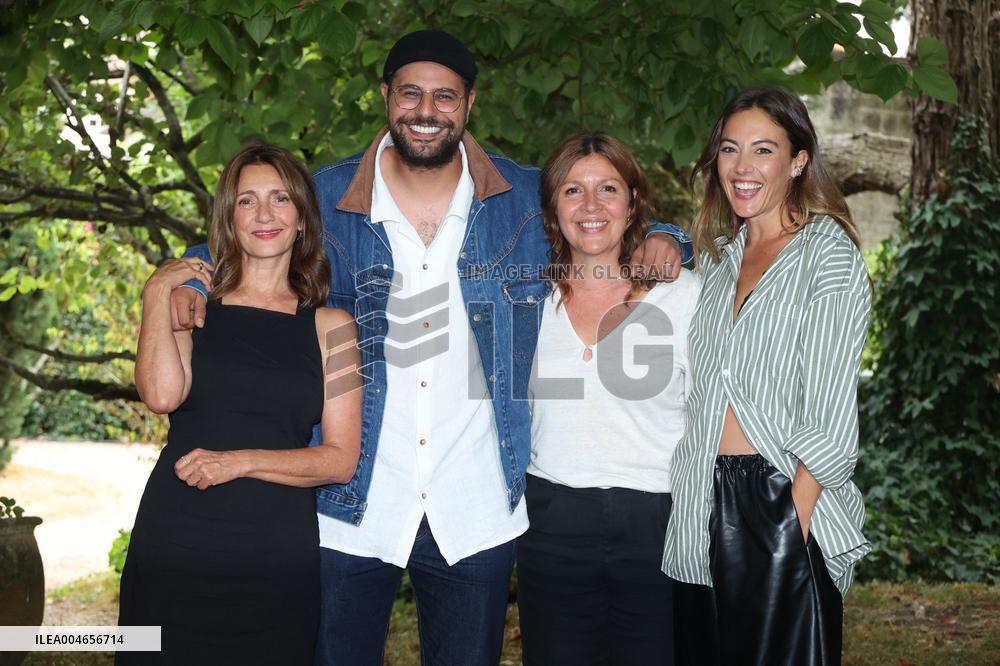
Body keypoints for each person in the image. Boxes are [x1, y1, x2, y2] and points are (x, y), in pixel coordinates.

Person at [172, 30, 693, 664]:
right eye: (411, 93)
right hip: (353, 503)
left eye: (444, 96)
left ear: (470, 104)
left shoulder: (524, 204)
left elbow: (600, 210)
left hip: (473, 505)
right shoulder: (329, 202)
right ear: (385, 96)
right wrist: (180, 274)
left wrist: (667, 236)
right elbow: (248, 232)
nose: (426, 110)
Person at [118, 143, 362, 665]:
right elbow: (161, 395)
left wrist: (237, 462)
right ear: (230, 218)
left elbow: (340, 460)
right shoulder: (195, 308)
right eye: (247, 201)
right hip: (176, 539)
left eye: (279, 199)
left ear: (302, 218)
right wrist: (156, 295)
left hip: (276, 553)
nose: (265, 214)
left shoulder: (335, 329)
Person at [661, 87, 872, 666]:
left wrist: (788, 531)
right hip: (699, 502)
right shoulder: (717, 260)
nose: (743, 168)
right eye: (730, 150)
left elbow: (829, 420)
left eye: (763, 150)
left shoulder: (826, 255)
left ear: (798, 159)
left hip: (780, 498)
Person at [517, 132, 700, 665]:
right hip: (552, 521)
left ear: (633, 201)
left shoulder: (683, 295)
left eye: (608, 189)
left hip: (658, 523)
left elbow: (720, 412)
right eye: (573, 190)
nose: (592, 206)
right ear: (553, 206)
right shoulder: (526, 300)